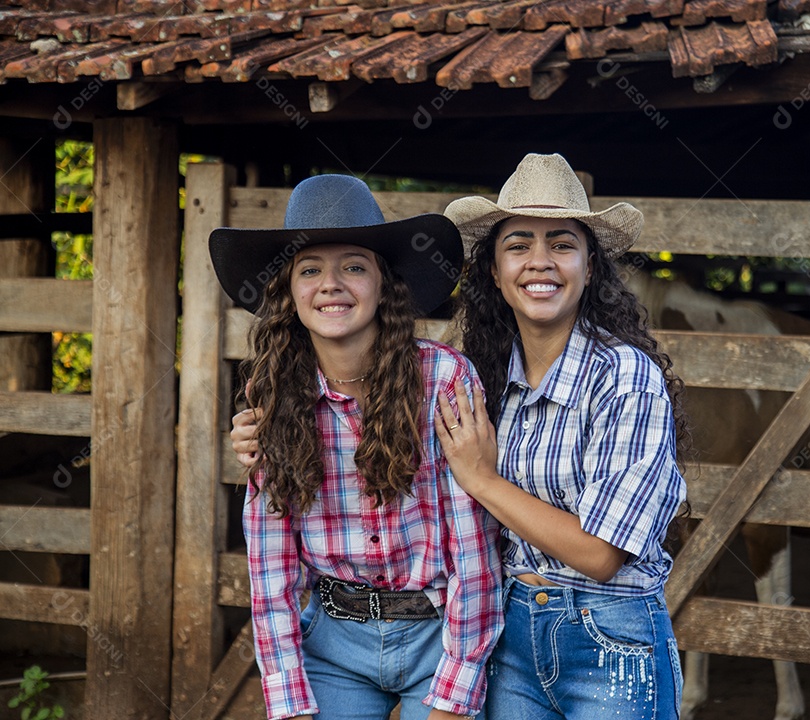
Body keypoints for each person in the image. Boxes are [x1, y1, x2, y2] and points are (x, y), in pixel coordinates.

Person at [209, 174, 502, 720]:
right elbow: (270, 561)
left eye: (354, 266)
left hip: (438, 632)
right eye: (311, 269)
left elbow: (473, 546)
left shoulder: (442, 379)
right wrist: (288, 698)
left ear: (384, 284)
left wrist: (455, 694)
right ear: (289, 291)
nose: (331, 284)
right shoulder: (271, 392)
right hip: (333, 640)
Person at [435, 153, 689, 720]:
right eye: (518, 244)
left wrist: (481, 478)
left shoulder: (625, 376)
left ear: (590, 267)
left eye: (563, 244)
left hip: (610, 638)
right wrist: (268, 435)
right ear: (495, 271)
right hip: (509, 632)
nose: (539, 262)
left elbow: (599, 554)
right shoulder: (482, 376)